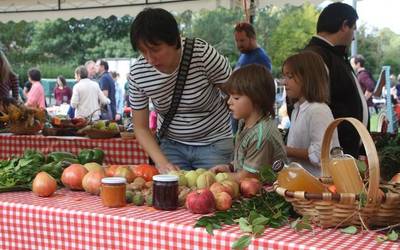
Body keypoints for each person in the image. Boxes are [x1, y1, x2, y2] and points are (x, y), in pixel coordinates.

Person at [129, 8, 232, 173]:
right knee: (171, 195)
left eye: (155, 49)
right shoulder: (138, 73)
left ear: (174, 40)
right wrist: (162, 163)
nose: (149, 59)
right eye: (143, 51)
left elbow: (236, 95)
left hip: (214, 144)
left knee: (216, 194)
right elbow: (140, 127)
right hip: (171, 147)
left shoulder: (202, 54)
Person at [304, 2, 367, 158]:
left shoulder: (331, 54)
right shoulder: (316, 56)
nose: (353, 37)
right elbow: (311, 106)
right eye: (353, 28)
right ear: (344, 25)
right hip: (330, 156)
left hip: (341, 152)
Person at [209, 64, 286, 182]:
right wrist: (229, 167)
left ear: (257, 99)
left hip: (264, 196)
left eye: (236, 98)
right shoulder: (244, 123)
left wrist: (213, 179)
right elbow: (245, 158)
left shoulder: (261, 135)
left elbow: (248, 177)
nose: (229, 102)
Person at [283, 51, 340, 176]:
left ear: (308, 77)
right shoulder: (297, 109)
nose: (284, 82)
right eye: (285, 76)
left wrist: (287, 150)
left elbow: (321, 154)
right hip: (302, 184)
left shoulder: (318, 110)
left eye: (290, 76)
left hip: (320, 187)